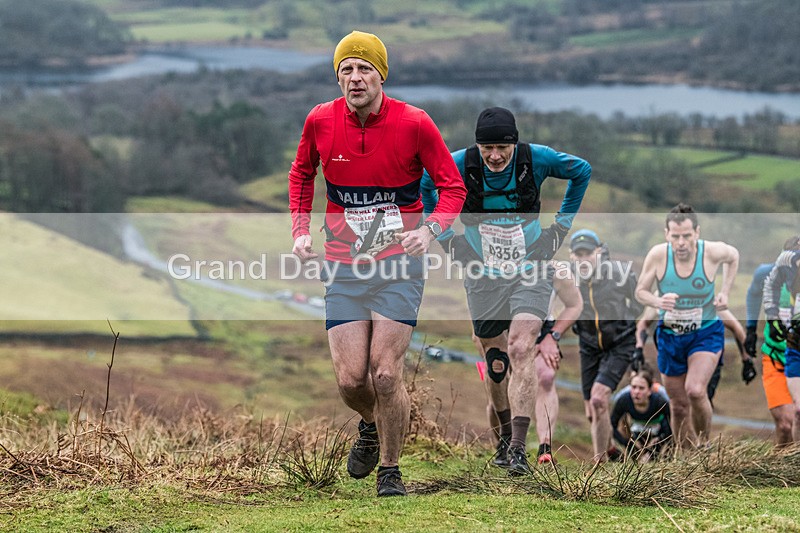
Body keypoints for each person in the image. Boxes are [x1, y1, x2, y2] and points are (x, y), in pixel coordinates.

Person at [288, 30, 466, 497]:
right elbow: (302, 173)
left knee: (384, 373)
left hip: (398, 267)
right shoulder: (320, 121)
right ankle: (372, 424)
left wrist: (429, 231)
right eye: (346, 69)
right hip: (344, 265)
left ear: (381, 75)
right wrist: (301, 231)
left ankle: (390, 470)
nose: (355, 77)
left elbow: (452, 188)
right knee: (351, 380)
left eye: (364, 68)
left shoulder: (415, 123)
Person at [421, 106, 591, 474]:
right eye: (488, 149)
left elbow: (582, 170)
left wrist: (559, 230)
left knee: (520, 346)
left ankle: (517, 449)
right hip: (482, 274)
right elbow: (423, 185)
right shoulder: (460, 163)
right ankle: (501, 442)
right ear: (477, 146)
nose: (495, 156)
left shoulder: (535, 159)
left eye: (503, 147)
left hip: (531, 268)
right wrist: (448, 240)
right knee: (497, 366)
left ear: (514, 143)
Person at [635, 203, 739, 448]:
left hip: (705, 333)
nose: (681, 243)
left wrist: (725, 291)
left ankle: (704, 447)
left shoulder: (711, 252)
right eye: (675, 236)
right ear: (666, 234)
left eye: (686, 236)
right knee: (678, 406)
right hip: (671, 336)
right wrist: (658, 301)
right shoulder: (658, 255)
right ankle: (688, 460)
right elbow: (640, 291)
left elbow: (733, 255)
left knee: (695, 390)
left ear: (697, 233)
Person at [475, 267, 583, 472]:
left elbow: (575, 304)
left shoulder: (556, 271)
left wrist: (553, 336)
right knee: (498, 382)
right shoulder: (492, 266)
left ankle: (544, 448)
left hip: (539, 326)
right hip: (499, 328)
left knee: (546, 376)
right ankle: (503, 443)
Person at [569, 228, 643, 462]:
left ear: (599, 252)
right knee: (592, 412)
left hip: (620, 343)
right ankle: (610, 448)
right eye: (578, 255)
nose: (583, 259)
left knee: (599, 399)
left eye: (587, 254)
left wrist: (632, 330)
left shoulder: (620, 274)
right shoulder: (568, 278)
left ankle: (598, 465)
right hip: (588, 345)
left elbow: (641, 300)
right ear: (571, 256)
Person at [635, 306, 755, 405]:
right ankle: (685, 434)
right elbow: (643, 323)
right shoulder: (661, 294)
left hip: (705, 359)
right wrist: (638, 349)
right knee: (679, 404)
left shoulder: (703, 295)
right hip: (674, 358)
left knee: (698, 397)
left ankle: (701, 433)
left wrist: (747, 361)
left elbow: (735, 327)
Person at [746, 236, 800, 446]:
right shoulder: (767, 273)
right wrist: (750, 329)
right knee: (785, 423)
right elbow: (753, 294)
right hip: (776, 358)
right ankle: (780, 467)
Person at [762, 244, 800, 444]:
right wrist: (771, 316)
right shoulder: (786, 260)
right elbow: (768, 285)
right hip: (778, 356)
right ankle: (785, 468)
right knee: (787, 423)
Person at [610, 365, 672, 462]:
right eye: (634, 387)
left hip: (658, 436)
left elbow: (671, 427)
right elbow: (611, 425)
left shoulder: (660, 402)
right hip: (635, 436)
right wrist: (627, 443)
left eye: (641, 388)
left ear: (649, 390)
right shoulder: (624, 400)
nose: (636, 392)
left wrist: (658, 441)